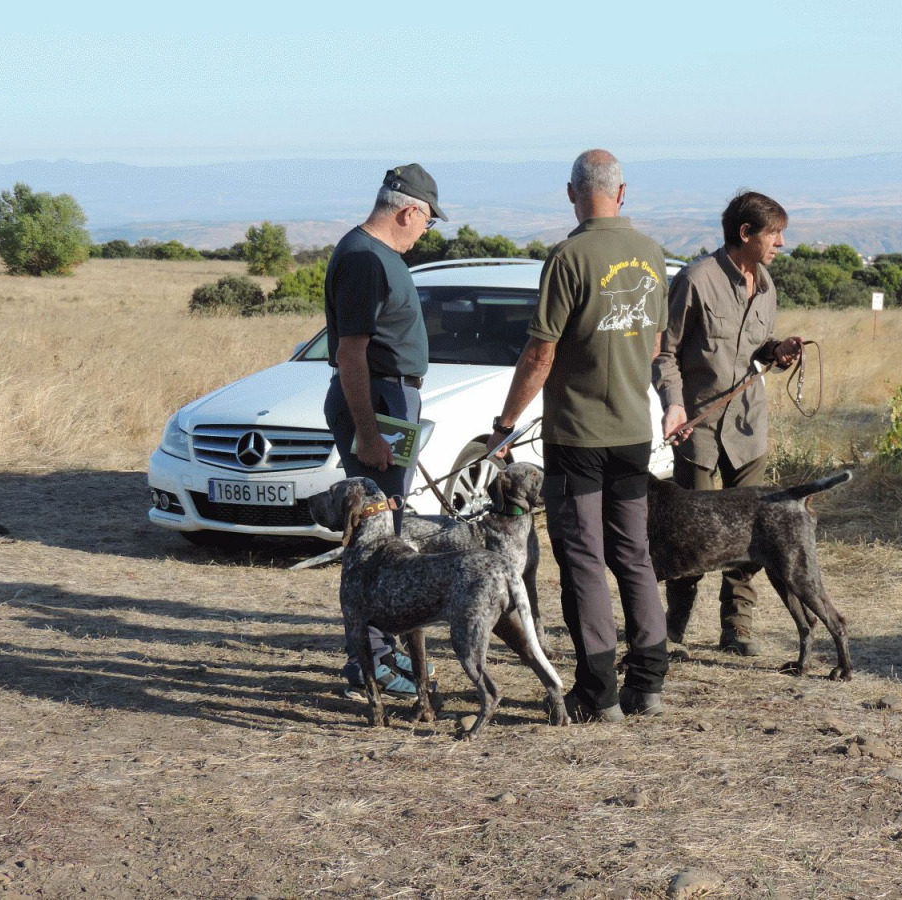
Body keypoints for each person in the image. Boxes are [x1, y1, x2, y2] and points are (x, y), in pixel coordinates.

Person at [489, 149, 669, 722]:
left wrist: (506, 423)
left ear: (571, 193)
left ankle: (598, 694)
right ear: (622, 192)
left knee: (585, 560)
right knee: (634, 554)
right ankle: (649, 683)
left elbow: (540, 352)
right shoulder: (652, 253)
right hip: (634, 432)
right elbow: (655, 344)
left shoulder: (567, 257)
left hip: (578, 437)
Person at [652, 191, 802, 656]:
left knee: (752, 534)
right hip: (697, 431)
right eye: (774, 233)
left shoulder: (767, 285)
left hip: (748, 429)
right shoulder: (695, 280)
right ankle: (673, 628)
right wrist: (673, 405)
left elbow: (756, 349)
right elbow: (664, 354)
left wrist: (776, 351)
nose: (781, 243)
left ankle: (737, 627)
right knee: (686, 534)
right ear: (745, 233)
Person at [323, 163, 448, 699]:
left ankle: (379, 651)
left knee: (388, 529)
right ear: (408, 211)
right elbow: (350, 354)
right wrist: (370, 433)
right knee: (377, 539)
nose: (426, 231)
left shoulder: (377, 256)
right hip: (377, 400)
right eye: (428, 221)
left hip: (390, 398)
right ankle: (370, 662)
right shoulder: (364, 259)